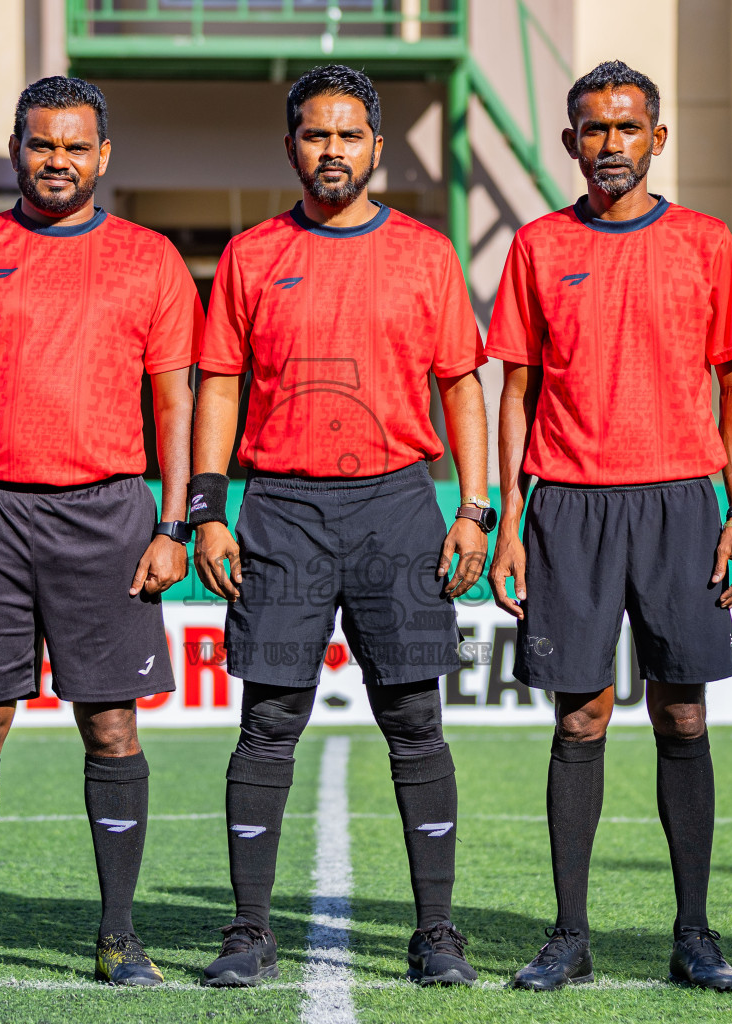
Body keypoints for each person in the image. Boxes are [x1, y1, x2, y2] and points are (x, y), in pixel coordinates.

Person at [0, 76, 200, 989]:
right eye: (40, 144)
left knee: (111, 727)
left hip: (111, 514)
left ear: (104, 155)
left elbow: (175, 402)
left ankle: (119, 937)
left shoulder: (150, 259)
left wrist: (174, 523)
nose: (56, 161)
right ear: (16, 148)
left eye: (75, 146)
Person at [190, 64, 491, 988]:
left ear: (377, 147)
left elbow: (461, 387)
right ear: (291, 149)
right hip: (279, 505)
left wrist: (474, 509)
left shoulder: (429, 254)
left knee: (415, 718)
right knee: (268, 718)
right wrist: (207, 507)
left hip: (400, 502)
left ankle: (436, 932)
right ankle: (248, 931)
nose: (332, 151)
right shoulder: (248, 256)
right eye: (316, 136)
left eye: (349, 134)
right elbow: (220, 384)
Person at [486, 60, 732, 992]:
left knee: (682, 713)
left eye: (627, 128)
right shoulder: (536, 245)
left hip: (684, 501)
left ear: (657, 138)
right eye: (594, 131)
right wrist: (512, 522)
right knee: (583, 716)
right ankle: (569, 935)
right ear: (571, 143)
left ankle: (696, 933)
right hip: (568, 505)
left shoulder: (704, 242)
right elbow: (516, 388)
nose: (611, 146)